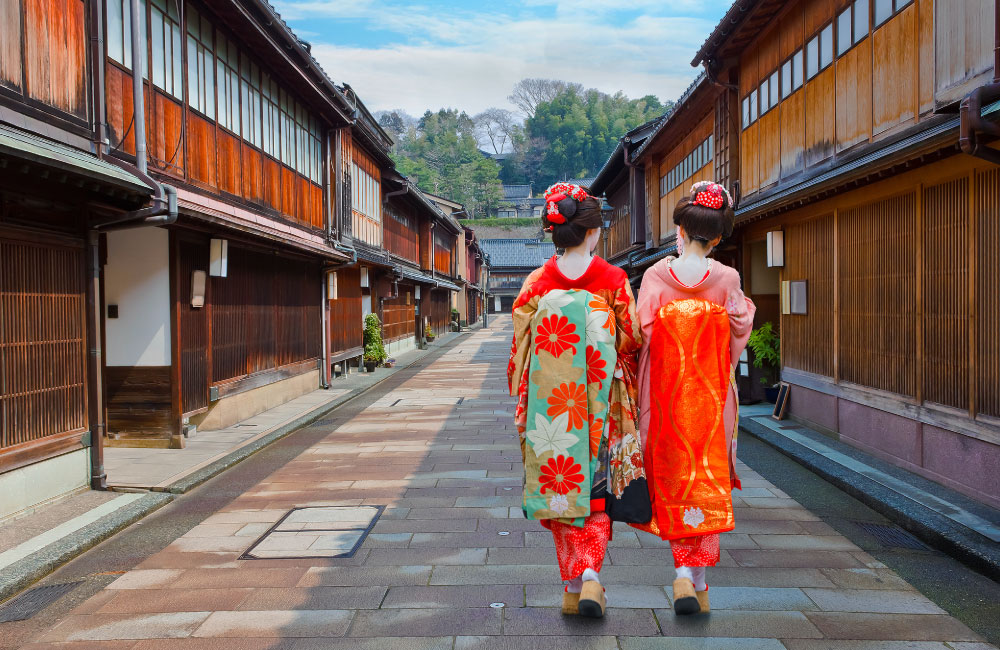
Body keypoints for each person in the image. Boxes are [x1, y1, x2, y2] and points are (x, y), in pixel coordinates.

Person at [508, 182, 648, 618]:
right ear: (592, 233)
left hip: (550, 405)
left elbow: (521, 349)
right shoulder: (613, 280)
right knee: (597, 488)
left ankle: (573, 584)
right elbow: (632, 339)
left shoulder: (536, 284)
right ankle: (590, 577)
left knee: (559, 486)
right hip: (600, 403)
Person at [633, 181, 755, 615]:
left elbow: (640, 334)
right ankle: (692, 577)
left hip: (664, 401)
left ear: (678, 232)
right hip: (710, 399)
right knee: (706, 480)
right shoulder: (727, 278)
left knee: (672, 479)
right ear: (718, 237)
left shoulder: (653, 276)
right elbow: (739, 328)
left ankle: (684, 572)